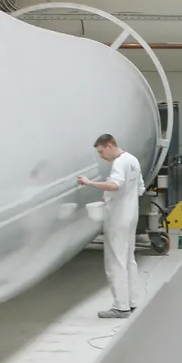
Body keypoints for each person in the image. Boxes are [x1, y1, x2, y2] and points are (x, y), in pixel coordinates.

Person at [78, 134, 144, 319]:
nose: (101, 157)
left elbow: (115, 184)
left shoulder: (119, 163)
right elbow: (140, 188)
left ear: (109, 145)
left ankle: (120, 306)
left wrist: (89, 183)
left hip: (118, 219)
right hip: (131, 216)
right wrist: (111, 197)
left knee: (116, 262)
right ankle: (133, 302)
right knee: (129, 260)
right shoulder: (133, 160)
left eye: (101, 152)